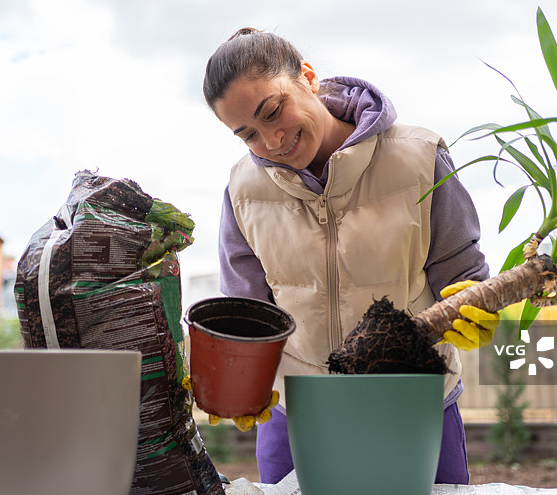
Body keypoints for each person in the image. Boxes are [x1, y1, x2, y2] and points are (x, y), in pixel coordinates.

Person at [203, 28, 498, 485]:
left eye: (273, 110)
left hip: (413, 408)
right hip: (296, 415)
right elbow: (249, 312)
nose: (272, 140)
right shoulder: (244, 190)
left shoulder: (418, 159)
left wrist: (475, 310)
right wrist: (240, 376)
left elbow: (462, 276)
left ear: (307, 76)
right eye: (248, 135)